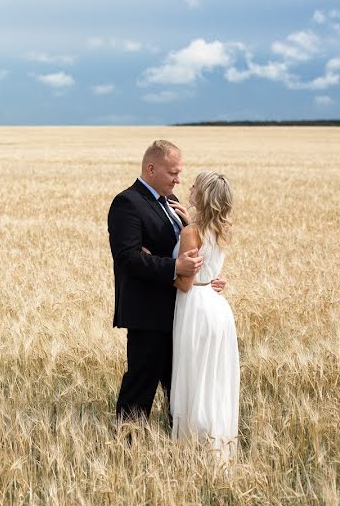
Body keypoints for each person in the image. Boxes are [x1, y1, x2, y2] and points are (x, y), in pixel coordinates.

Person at [107, 140, 225, 423]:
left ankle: (180, 446)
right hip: (148, 313)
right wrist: (175, 267)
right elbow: (128, 258)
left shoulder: (172, 205)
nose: (178, 179)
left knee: (180, 386)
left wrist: (205, 281)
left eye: (180, 172)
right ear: (151, 168)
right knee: (141, 384)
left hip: (182, 311)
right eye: (173, 172)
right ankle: (126, 448)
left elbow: (191, 249)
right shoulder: (127, 203)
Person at [168, 171, 239, 463]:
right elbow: (209, 269)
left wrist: (156, 265)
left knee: (194, 378)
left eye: (196, 184)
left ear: (203, 195)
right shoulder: (218, 230)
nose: (190, 186)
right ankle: (217, 448)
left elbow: (184, 282)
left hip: (194, 307)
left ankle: (192, 451)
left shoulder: (190, 233)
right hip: (218, 309)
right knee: (214, 380)